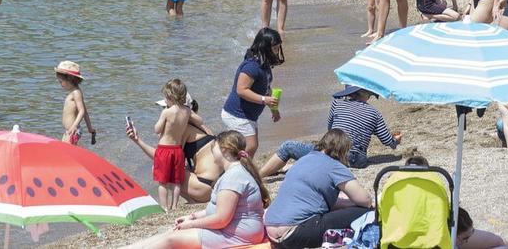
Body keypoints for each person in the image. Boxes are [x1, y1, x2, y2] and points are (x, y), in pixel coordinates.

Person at [124, 131, 270, 248]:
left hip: (238, 235)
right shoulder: (234, 172)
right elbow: (219, 209)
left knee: (171, 240)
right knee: (171, 233)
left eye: (215, 146)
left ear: (224, 150)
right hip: (235, 230)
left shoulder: (234, 177)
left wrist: (191, 224)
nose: (212, 149)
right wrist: (193, 217)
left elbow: (221, 220)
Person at [264, 129, 374, 249]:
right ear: (343, 150)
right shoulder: (335, 166)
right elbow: (366, 200)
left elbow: (315, 200)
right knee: (365, 212)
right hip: (294, 234)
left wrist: (345, 202)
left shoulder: (303, 160)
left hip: (271, 229)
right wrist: (354, 203)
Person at [262, 85, 401, 176]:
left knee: (288, 147)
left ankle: (259, 176)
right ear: (367, 94)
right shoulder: (373, 112)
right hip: (357, 160)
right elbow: (386, 140)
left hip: (333, 152)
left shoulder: (337, 102)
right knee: (316, 159)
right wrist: (395, 141)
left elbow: (331, 130)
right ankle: (297, 165)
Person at [126, 99, 223, 204]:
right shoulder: (201, 127)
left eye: (167, 108)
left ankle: (192, 202)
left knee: (160, 168)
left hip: (203, 188)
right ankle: (193, 201)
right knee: (178, 168)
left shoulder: (182, 129)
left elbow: (161, 159)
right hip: (218, 186)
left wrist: (137, 140)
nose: (164, 113)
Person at [222, 28, 284, 157]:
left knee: (245, 147)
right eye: (274, 48)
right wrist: (263, 100)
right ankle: (236, 169)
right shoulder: (252, 66)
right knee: (250, 146)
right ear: (264, 48)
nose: (277, 51)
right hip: (237, 113)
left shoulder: (264, 65)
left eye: (278, 48)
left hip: (248, 114)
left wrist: (273, 108)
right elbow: (241, 90)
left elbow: (266, 88)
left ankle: (238, 168)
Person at [154, 79, 195, 211]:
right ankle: (175, 205)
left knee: (163, 182)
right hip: (178, 150)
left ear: (171, 97)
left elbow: (157, 129)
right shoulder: (187, 111)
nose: (165, 101)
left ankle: (164, 207)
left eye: (165, 97)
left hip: (164, 150)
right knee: (176, 181)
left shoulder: (167, 112)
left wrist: (163, 115)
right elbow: (198, 120)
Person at [54, 61, 95, 146]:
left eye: (61, 82)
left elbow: (82, 111)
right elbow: (85, 112)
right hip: (69, 130)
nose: (60, 84)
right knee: (63, 149)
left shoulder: (76, 93)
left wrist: (74, 126)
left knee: (66, 152)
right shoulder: (73, 92)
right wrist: (90, 128)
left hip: (73, 130)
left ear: (69, 79)